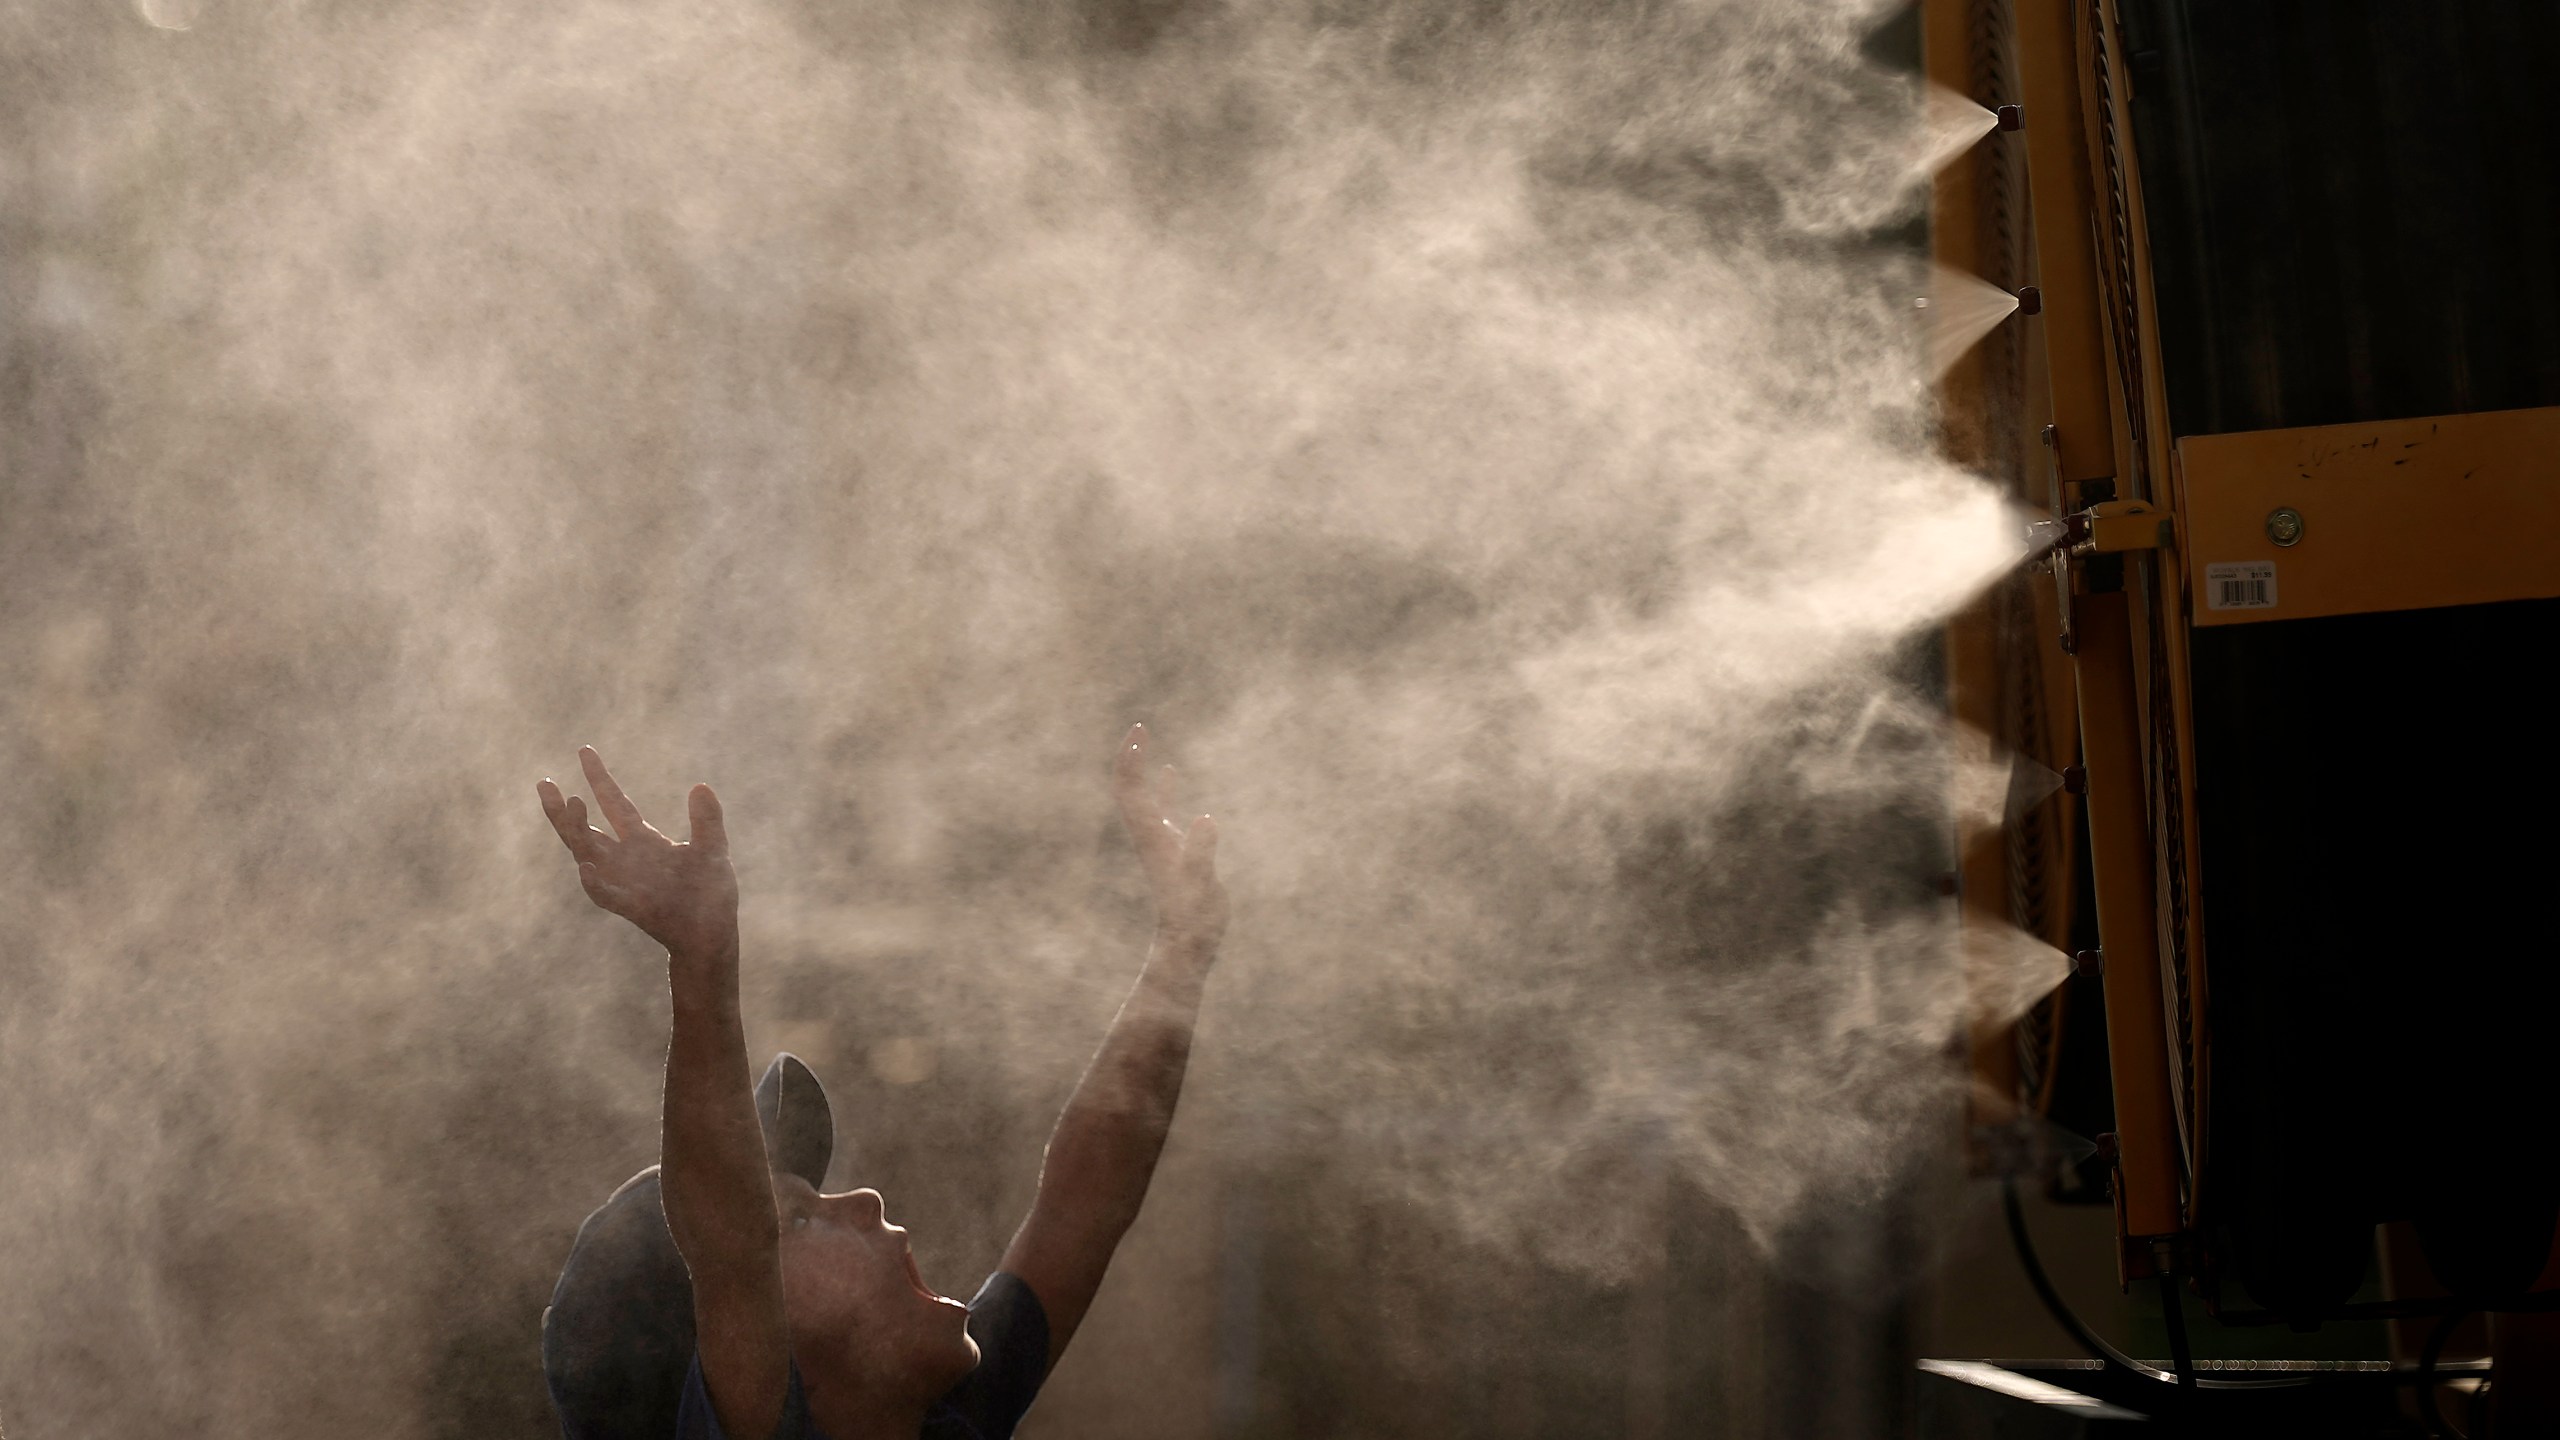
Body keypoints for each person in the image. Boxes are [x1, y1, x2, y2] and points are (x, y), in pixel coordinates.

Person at [536, 725, 1228, 1440]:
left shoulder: (945, 1420)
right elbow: (727, 1248)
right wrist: (702, 960)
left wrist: (1182, 952)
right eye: (795, 1218)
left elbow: (1083, 1204)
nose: (864, 1201)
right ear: (726, 1355)